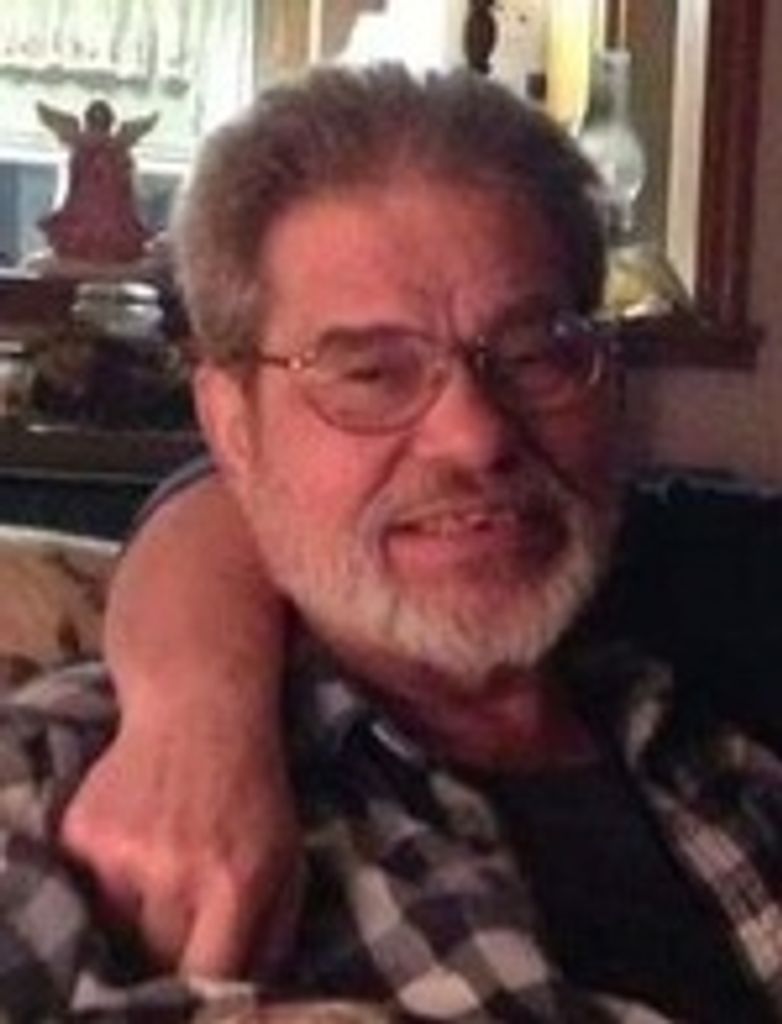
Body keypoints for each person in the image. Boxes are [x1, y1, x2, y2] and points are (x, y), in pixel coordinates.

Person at [1, 63, 780, 1021]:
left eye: (535, 353)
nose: (476, 435)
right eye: (371, 373)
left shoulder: (716, 716)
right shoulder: (66, 803)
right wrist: (190, 712)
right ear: (232, 424)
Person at [36, 98, 158, 264]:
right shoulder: (110, 147)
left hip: (106, 209)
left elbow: (123, 181)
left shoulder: (99, 147)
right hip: (88, 206)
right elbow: (77, 177)